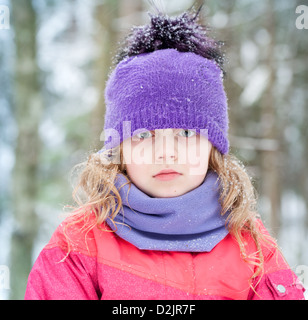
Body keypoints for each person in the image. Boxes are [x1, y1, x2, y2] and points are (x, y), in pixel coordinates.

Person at [25, 7, 305, 300]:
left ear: (213, 145)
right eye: (143, 135)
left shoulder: (252, 246)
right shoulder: (77, 246)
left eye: (185, 134)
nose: (166, 154)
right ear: (120, 148)